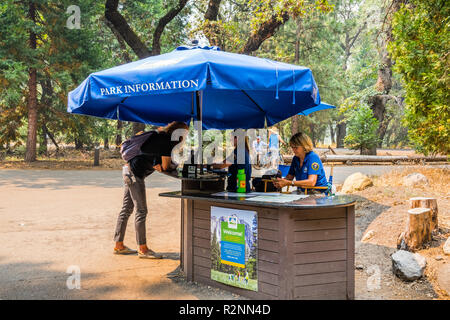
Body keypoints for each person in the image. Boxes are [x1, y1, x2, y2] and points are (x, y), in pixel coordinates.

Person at [113, 121, 189, 259]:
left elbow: (157, 161)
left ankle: (119, 245)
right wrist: (165, 165)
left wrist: (160, 164)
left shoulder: (160, 136)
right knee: (141, 210)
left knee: (126, 209)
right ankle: (143, 249)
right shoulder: (168, 142)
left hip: (128, 171)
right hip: (135, 174)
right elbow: (165, 167)